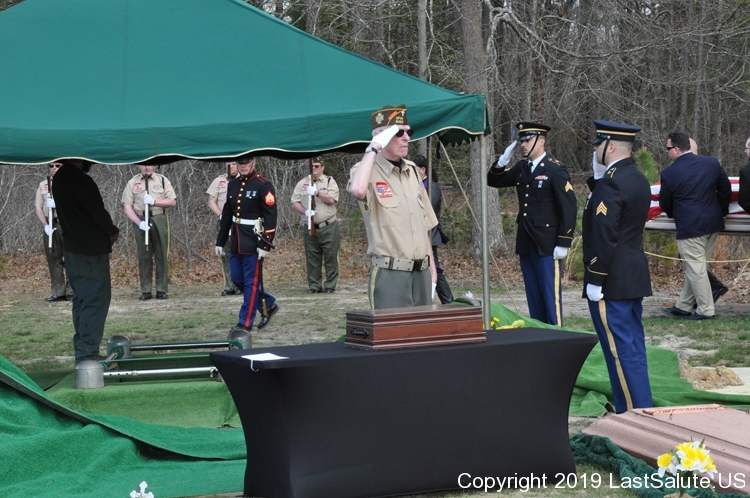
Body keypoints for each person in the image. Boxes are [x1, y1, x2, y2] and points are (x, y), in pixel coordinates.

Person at [583, 119, 653, 413]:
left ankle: (633, 415)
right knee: (633, 348)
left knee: (619, 351)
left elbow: (604, 234)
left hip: (611, 279)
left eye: (597, 145)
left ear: (609, 147)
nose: (594, 150)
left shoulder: (611, 183)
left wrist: (595, 278)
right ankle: (641, 407)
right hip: (631, 275)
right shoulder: (637, 178)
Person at [347, 104, 438, 309]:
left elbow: (423, 224)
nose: (406, 138)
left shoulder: (412, 171)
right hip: (391, 274)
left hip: (421, 273)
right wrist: (374, 148)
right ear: (379, 136)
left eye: (408, 132)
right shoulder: (365, 171)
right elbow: (358, 190)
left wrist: (432, 270)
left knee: (424, 329)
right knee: (392, 329)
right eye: (398, 133)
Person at [486, 121, 576, 326]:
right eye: (521, 141)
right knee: (534, 297)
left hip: (547, 244)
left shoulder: (555, 169)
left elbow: (568, 207)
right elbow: (493, 181)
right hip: (526, 241)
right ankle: (540, 334)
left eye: (528, 140)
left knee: (550, 299)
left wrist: (564, 241)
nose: (523, 145)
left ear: (541, 141)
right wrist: (502, 161)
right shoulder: (521, 168)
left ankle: (557, 335)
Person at [51, 160, 119, 364]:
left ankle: (83, 351)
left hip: (73, 248)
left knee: (81, 300)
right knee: (94, 299)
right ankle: (87, 355)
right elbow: (95, 210)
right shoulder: (79, 180)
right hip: (89, 250)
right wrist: (111, 230)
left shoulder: (59, 179)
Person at [659, 131, 731, 320]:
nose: (667, 152)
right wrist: (721, 211)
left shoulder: (669, 173)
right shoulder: (711, 163)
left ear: (676, 149)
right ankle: (684, 305)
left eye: (668, 148)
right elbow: (725, 189)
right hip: (712, 224)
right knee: (695, 268)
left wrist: (676, 214)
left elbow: (664, 202)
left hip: (690, 227)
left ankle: (706, 310)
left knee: (696, 270)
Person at [215, 157, 279, 332]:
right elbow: (227, 214)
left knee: (251, 282)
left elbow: (271, 216)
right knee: (237, 278)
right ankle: (268, 303)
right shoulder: (233, 184)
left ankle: (245, 322)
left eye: (246, 163)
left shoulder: (263, 185)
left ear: (253, 162)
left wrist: (266, 243)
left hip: (253, 240)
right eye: (240, 163)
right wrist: (220, 240)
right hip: (237, 239)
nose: (243, 166)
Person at [121, 163, 177, 300]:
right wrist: (139, 223)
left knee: (161, 254)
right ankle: (146, 290)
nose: (147, 167)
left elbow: (172, 202)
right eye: (144, 165)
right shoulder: (133, 182)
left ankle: (161, 289)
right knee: (144, 255)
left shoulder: (162, 180)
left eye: (150, 165)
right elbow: (127, 207)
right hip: (141, 219)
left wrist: (154, 202)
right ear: (139, 166)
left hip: (159, 217)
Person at [291, 156, 341, 294]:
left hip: (328, 225)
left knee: (331, 256)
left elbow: (332, 200)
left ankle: (330, 285)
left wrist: (317, 193)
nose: (314, 168)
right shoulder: (303, 183)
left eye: (317, 166)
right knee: (312, 257)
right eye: (312, 166)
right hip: (310, 225)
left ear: (322, 167)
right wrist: (305, 212)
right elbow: (295, 202)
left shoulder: (329, 181)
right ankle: (314, 285)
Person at [413, 154, 453, 304]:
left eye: (415, 169)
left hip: (431, 233)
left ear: (423, 169)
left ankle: (448, 301)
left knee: (434, 267)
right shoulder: (418, 185)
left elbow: (429, 208)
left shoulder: (432, 186)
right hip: (419, 232)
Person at [34, 162, 73, 302]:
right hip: (50, 224)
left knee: (70, 258)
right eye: (51, 166)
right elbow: (38, 208)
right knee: (53, 259)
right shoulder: (43, 185)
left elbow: (74, 205)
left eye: (58, 165)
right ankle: (58, 292)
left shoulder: (70, 183)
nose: (54, 168)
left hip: (66, 224)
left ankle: (71, 292)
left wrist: (59, 204)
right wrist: (45, 226)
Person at [207, 162, 240, 296]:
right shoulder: (219, 181)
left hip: (240, 222)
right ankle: (229, 285)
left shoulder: (244, 179)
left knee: (240, 252)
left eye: (234, 163)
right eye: (228, 163)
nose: (231, 166)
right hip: (224, 222)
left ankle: (240, 284)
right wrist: (222, 216)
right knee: (225, 253)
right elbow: (211, 201)